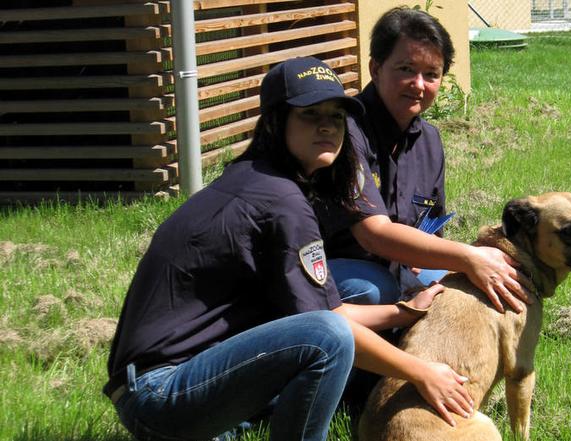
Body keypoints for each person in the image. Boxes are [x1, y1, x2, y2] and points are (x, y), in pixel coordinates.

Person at [104, 57, 473, 441]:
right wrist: (421, 370)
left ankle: (233, 423)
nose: (327, 126)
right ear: (276, 122)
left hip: (160, 384)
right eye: (310, 114)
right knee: (327, 338)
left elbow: (328, 308)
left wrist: (402, 313)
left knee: (341, 306)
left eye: (336, 115)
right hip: (161, 395)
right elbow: (331, 326)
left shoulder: (258, 177)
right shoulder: (280, 199)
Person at [320, 7, 531, 312]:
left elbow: (430, 230)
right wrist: (468, 257)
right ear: (375, 68)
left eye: (431, 74)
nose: (419, 85)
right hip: (331, 268)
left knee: (463, 286)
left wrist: (452, 266)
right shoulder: (346, 131)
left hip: (398, 265)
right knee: (376, 289)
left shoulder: (429, 140)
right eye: (406, 69)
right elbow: (373, 234)